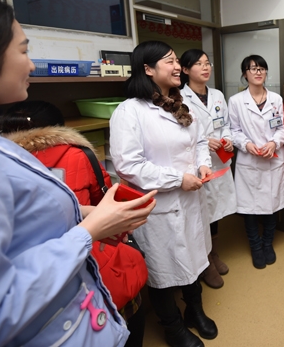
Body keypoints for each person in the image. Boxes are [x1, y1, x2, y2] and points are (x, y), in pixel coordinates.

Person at [0, 0, 156, 347]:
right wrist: (89, 232)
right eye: (23, 51)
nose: (30, 65)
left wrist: (84, 214)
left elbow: (20, 232)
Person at [0, 100, 148, 347]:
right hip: (92, 255)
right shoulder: (79, 155)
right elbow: (105, 199)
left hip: (28, 282)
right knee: (122, 306)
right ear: (60, 127)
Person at [110, 41, 216, 347]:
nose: (177, 67)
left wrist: (203, 164)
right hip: (159, 207)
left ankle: (195, 310)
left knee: (194, 256)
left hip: (191, 199)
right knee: (163, 268)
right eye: (169, 61)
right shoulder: (130, 111)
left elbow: (199, 142)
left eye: (176, 61)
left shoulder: (180, 104)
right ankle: (172, 328)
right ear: (148, 69)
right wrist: (178, 179)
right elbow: (129, 165)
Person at [180, 49, 237, 289]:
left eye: (207, 63)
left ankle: (212, 252)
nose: (205, 68)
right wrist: (205, 141)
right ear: (185, 69)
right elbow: (182, 134)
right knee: (201, 212)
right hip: (197, 164)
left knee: (215, 210)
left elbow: (225, 124)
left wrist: (227, 139)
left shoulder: (217, 95)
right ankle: (205, 261)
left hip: (220, 160)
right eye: (199, 64)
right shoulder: (180, 98)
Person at [228, 55, 284, 269]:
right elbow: (233, 130)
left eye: (262, 68)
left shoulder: (276, 99)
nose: (258, 72)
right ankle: (255, 246)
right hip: (249, 162)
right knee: (250, 208)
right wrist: (246, 145)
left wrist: (274, 143)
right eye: (253, 69)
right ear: (245, 74)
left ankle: (267, 243)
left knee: (272, 205)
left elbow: (281, 129)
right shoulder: (236, 101)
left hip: (273, 161)